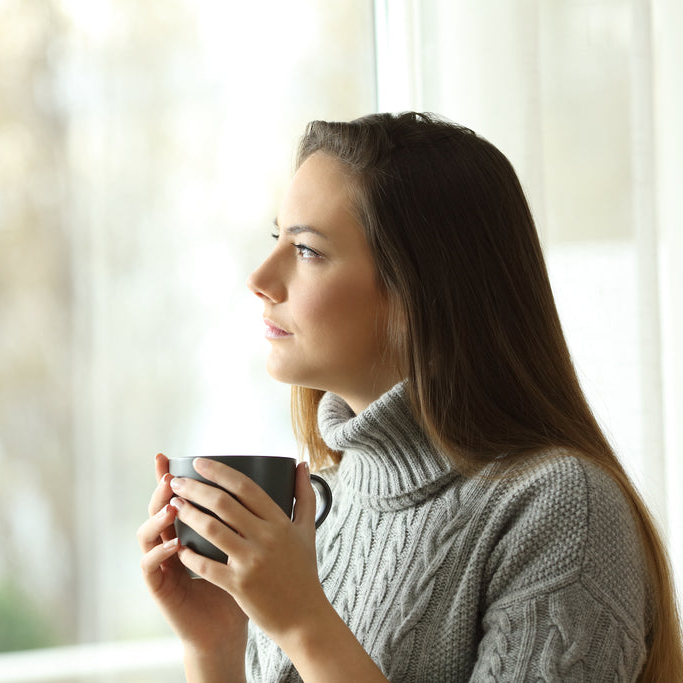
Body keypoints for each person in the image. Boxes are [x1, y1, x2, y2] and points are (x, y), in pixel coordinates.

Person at [136, 112, 683, 682]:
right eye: (279, 239)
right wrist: (216, 647)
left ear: (418, 289)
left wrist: (303, 624)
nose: (260, 277)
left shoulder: (561, 509)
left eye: (308, 251)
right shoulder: (323, 504)